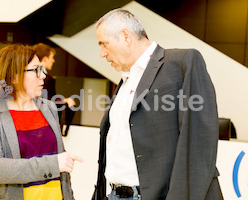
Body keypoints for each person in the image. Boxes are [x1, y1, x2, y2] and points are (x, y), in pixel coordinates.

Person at [93, 9, 223, 200]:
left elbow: (198, 141)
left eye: (104, 44)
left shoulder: (182, 63)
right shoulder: (125, 80)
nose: (102, 53)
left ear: (126, 36)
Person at [0, 44, 82, 200]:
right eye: (36, 70)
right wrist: (52, 164)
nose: (43, 75)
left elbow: (62, 167)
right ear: (15, 76)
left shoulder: (49, 108)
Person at [32, 43, 76, 136]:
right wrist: (65, 101)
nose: (53, 60)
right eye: (52, 57)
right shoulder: (47, 79)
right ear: (45, 58)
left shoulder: (29, 76)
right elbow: (47, 100)